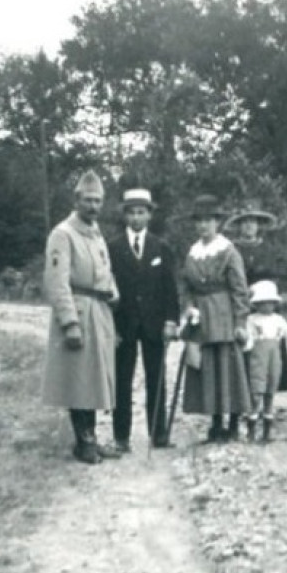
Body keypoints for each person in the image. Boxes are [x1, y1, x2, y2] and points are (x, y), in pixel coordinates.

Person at [42, 170, 121, 464]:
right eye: (88, 200)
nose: (93, 206)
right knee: (78, 380)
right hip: (78, 311)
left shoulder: (96, 233)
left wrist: (113, 291)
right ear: (76, 200)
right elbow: (56, 281)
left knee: (95, 379)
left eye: (98, 201)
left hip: (99, 310)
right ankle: (83, 441)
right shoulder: (63, 234)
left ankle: (92, 438)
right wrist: (70, 323)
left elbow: (106, 268)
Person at [106, 187, 180, 453]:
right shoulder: (112, 248)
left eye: (141, 212)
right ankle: (121, 436)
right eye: (131, 213)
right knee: (122, 380)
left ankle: (158, 434)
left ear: (150, 215)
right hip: (124, 324)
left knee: (156, 377)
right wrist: (111, 327)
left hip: (154, 323)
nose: (136, 218)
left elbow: (170, 289)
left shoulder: (161, 247)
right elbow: (107, 287)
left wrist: (171, 321)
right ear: (125, 216)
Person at [177, 195, 254, 442]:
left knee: (228, 368)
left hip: (224, 315)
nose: (203, 226)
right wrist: (188, 307)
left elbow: (240, 289)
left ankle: (232, 423)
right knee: (207, 367)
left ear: (218, 223)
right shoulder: (193, 253)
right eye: (199, 221)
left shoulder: (228, 251)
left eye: (209, 220)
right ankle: (215, 423)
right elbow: (185, 286)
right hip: (201, 317)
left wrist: (240, 321)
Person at [242, 280, 287, 443]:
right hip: (258, 359)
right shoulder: (251, 320)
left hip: (274, 359)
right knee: (257, 392)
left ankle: (266, 431)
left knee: (270, 392)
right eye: (262, 303)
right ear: (256, 304)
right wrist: (244, 341)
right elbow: (248, 342)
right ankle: (251, 429)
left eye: (270, 303)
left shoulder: (278, 320)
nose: (267, 306)